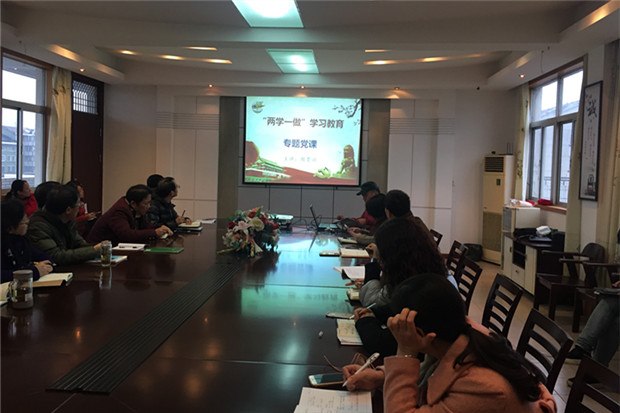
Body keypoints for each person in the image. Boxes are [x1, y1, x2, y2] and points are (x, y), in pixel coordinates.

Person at [346, 274, 557, 412]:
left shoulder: (483, 388)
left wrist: (405, 351)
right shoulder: (457, 336)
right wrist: (380, 376)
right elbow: (430, 371)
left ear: (420, 333)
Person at [354, 217, 448, 356]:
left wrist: (365, 321)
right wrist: (375, 312)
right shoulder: (422, 276)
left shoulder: (426, 291)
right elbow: (396, 308)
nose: (381, 264)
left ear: (395, 259)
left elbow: (382, 344)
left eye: (382, 259)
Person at [26, 186, 102, 265]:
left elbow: (80, 245)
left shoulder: (68, 221)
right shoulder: (38, 226)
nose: (80, 207)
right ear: (68, 210)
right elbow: (56, 256)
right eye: (78, 204)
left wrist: (99, 248)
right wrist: (94, 250)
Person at [87, 184, 173, 244]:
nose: (149, 206)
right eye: (146, 203)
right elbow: (127, 235)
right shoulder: (119, 211)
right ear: (133, 204)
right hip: (99, 251)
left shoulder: (136, 209)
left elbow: (145, 227)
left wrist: (159, 228)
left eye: (150, 203)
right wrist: (154, 232)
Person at [1, 199, 53, 282]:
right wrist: (33, 271)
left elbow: (43, 256)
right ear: (9, 228)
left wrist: (46, 265)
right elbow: (3, 275)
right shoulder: (4, 243)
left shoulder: (22, 239)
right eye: (23, 222)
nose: (28, 222)